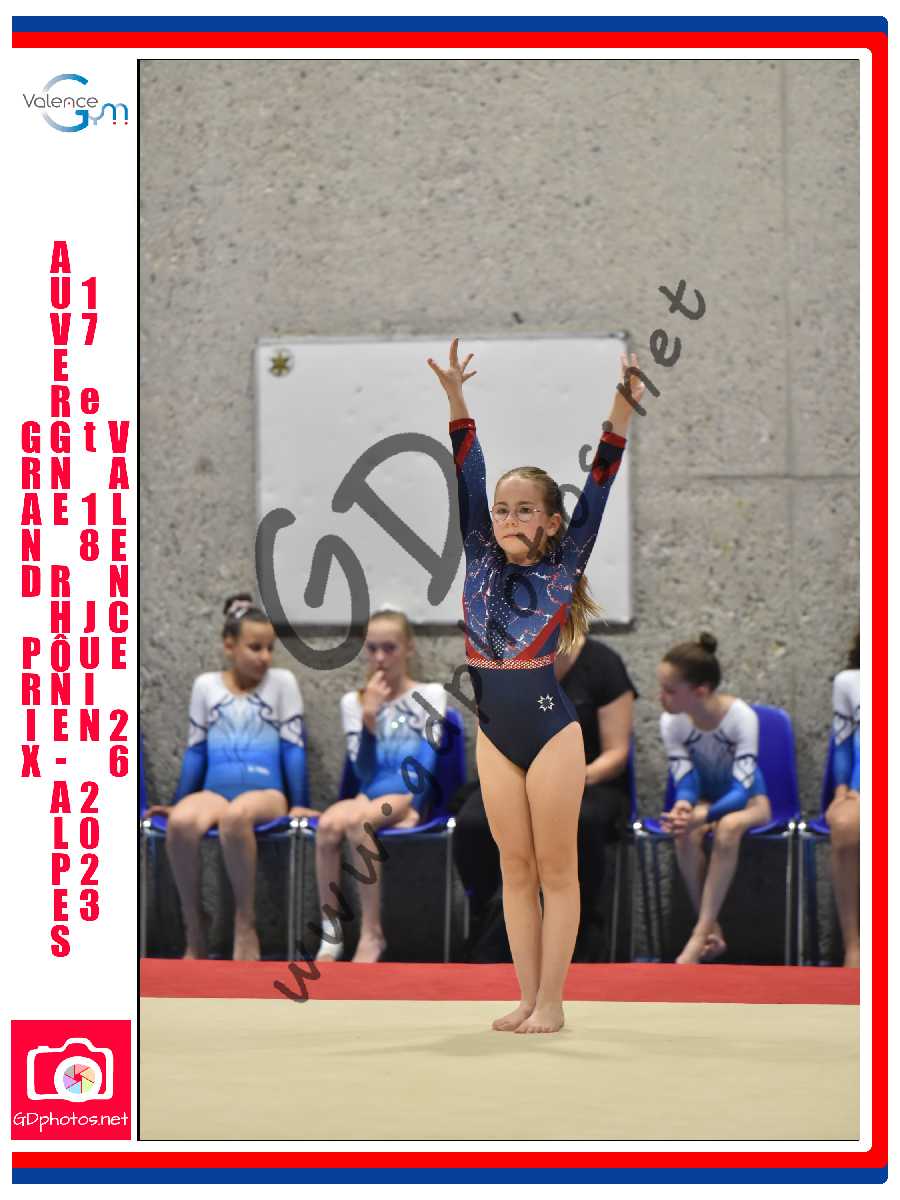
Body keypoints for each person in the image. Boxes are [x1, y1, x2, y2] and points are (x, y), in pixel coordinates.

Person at [427, 337, 636, 1032]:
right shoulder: (479, 553)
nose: (510, 519)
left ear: (550, 521)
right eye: (502, 509)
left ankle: (553, 1001)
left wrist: (621, 410)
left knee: (556, 870)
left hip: (550, 731)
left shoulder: (564, 561)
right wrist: (457, 400)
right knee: (514, 870)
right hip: (494, 733)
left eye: (525, 510)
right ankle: (525, 997)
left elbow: (600, 483)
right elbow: (467, 470)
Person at [145, 594, 316, 960]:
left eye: (270, 648)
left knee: (237, 817)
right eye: (255, 647)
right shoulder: (206, 686)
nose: (265, 657)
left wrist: (301, 802)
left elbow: (293, 748)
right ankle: (195, 924)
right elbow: (196, 751)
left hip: (266, 793)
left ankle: (244, 921)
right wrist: (177, 802)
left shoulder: (282, 683)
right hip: (216, 792)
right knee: (181, 822)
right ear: (229, 645)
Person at [454, 632, 638, 963]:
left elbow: (617, 753)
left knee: (582, 821)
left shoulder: (603, 664)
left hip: (588, 780)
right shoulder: (505, 664)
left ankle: (581, 931)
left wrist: (566, 779)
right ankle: (491, 917)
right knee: (473, 821)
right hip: (520, 775)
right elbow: (492, 738)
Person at [298, 608, 447, 963]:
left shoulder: (430, 694)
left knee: (358, 821)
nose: (380, 658)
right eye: (373, 649)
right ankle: (331, 933)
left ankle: (371, 933)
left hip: (407, 792)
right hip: (371, 791)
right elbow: (364, 771)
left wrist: (415, 805)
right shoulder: (354, 702)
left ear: (409, 648)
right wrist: (368, 718)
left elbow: (427, 760)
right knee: (328, 825)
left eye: (390, 648)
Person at [657, 633, 771, 965]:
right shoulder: (671, 722)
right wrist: (684, 806)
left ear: (700, 691)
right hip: (707, 800)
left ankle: (698, 936)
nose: (660, 697)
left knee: (728, 827)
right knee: (684, 833)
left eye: (669, 690)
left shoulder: (741, 717)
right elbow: (687, 781)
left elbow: (741, 791)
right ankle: (711, 928)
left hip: (751, 801)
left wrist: (702, 816)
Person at [825, 630, 860, 968]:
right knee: (845, 825)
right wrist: (841, 791)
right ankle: (855, 945)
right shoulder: (850, 682)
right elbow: (844, 745)